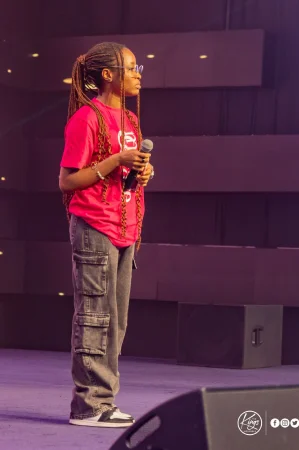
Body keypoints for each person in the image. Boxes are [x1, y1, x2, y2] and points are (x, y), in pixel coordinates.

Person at [58, 42, 154, 427]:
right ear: (108, 75)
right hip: (95, 225)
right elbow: (67, 181)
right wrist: (116, 160)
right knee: (95, 317)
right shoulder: (87, 118)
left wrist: (143, 172)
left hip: (125, 227)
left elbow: (124, 173)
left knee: (116, 321)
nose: (137, 75)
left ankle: (103, 400)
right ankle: (89, 405)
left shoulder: (129, 119)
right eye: (131, 68)